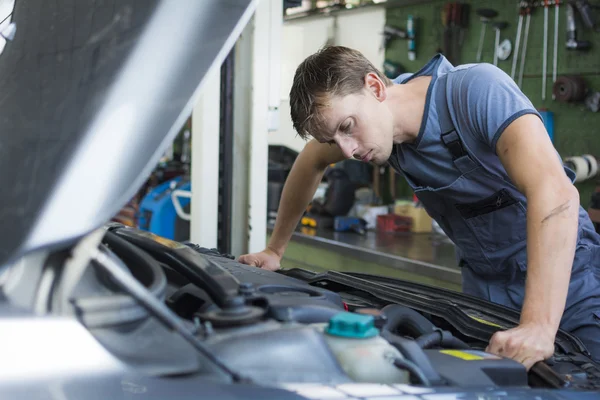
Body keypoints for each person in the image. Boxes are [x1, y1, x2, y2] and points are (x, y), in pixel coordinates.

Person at [238, 46, 600, 368]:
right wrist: (275, 249)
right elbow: (310, 162)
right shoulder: (370, 130)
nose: (346, 151)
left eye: (348, 128)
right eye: (332, 139)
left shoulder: (475, 92)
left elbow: (555, 193)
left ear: (376, 87)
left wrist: (537, 325)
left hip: (569, 283)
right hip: (485, 292)